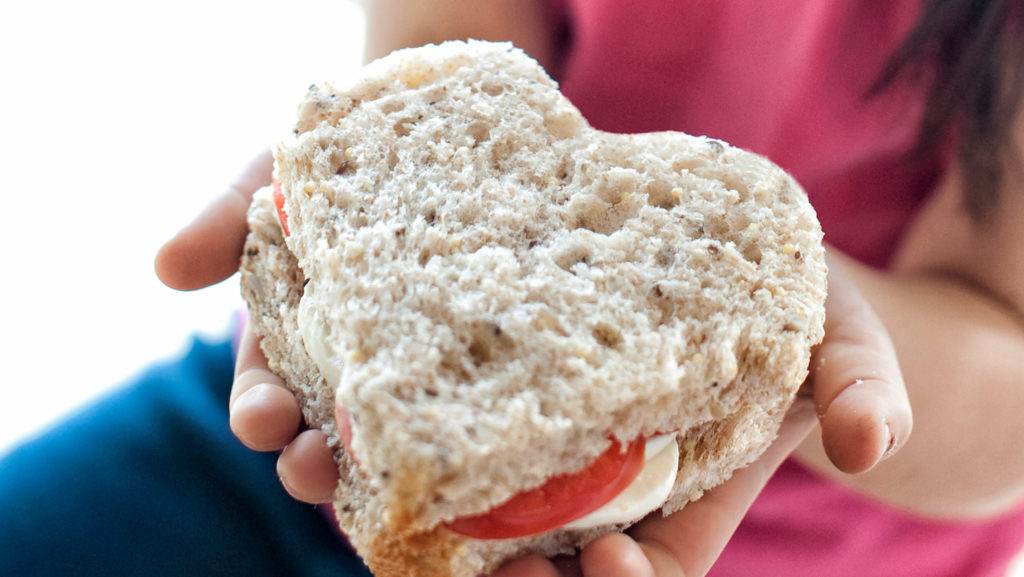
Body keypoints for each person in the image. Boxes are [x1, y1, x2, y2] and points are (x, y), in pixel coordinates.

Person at [2, 1, 1022, 576]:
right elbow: (440, 48)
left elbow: (1004, 360)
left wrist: (784, 304)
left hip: (792, 554)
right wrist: (374, 171)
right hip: (309, 452)